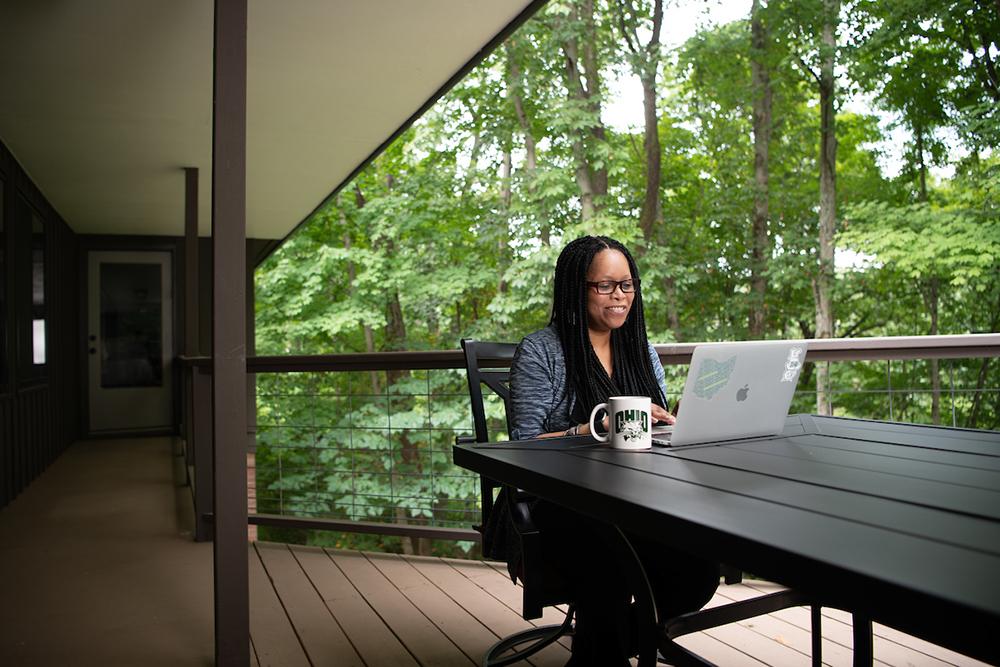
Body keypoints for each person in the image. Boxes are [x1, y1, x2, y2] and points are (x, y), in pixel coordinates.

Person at [507, 235, 720, 666]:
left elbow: (651, 432)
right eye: (604, 285)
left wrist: (678, 418)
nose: (619, 295)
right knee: (606, 550)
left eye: (627, 284)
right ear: (575, 287)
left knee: (699, 564)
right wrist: (588, 429)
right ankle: (604, 649)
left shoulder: (639, 349)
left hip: (638, 497)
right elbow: (522, 449)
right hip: (559, 503)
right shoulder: (542, 352)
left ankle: (607, 643)